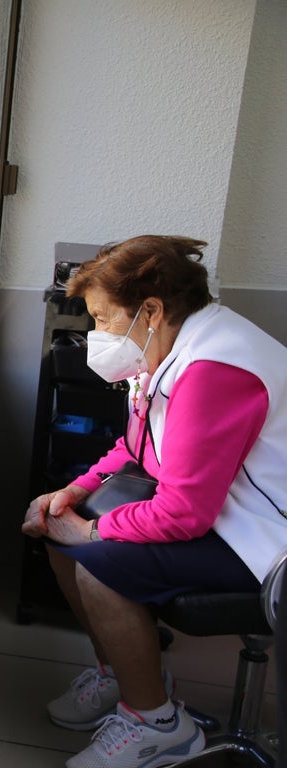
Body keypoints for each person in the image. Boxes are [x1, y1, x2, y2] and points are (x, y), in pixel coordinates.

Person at [21, 235, 287, 768]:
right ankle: (122, 675)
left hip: (266, 539)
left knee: (100, 566)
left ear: (151, 309)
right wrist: (72, 494)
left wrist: (94, 533)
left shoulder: (215, 369)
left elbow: (184, 512)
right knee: (56, 528)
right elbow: (137, 447)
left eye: (102, 318)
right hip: (224, 512)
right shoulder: (171, 348)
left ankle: (159, 725)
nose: (97, 334)